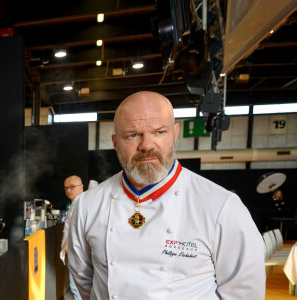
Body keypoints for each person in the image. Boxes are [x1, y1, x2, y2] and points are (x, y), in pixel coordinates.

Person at [68, 91, 266, 300]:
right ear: (115, 142)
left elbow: (244, 293)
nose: (146, 145)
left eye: (159, 132)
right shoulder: (87, 205)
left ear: (175, 133)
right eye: (133, 135)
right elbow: (84, 281)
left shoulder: (222, 207)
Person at [60, 175, 84, 300]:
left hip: (77, 253)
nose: (68, 190)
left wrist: (72, 248)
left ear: (81, 187)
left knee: (77, 287)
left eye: (72, 187)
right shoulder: (74, 203)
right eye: (66, 188)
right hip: (73, 252)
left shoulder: (83, 204)